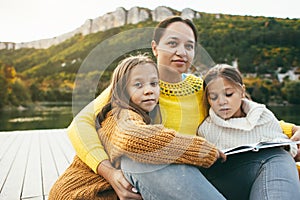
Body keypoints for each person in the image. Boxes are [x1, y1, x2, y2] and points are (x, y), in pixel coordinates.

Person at [49, 16, 300, 200]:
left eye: (189, 46)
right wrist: (107, 172)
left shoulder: (201, 88)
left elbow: (239, 112)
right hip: (150, 175)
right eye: (172, 43)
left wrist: (291, 130)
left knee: (276, 155)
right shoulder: (131, 88)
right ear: (155, 47)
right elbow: (80, 125)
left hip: (196, 178)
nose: (182, 52)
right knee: (144, 159)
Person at [197, 64, 300, 199]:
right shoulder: (207, 128)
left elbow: (284, 142)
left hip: (268, 171)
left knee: (280, 155)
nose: (221, 102)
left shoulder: (264, 116)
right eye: (213, 97)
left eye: (228, 94)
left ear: (242, 91)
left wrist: (292, 142)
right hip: (226, 181)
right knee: (278, 158)